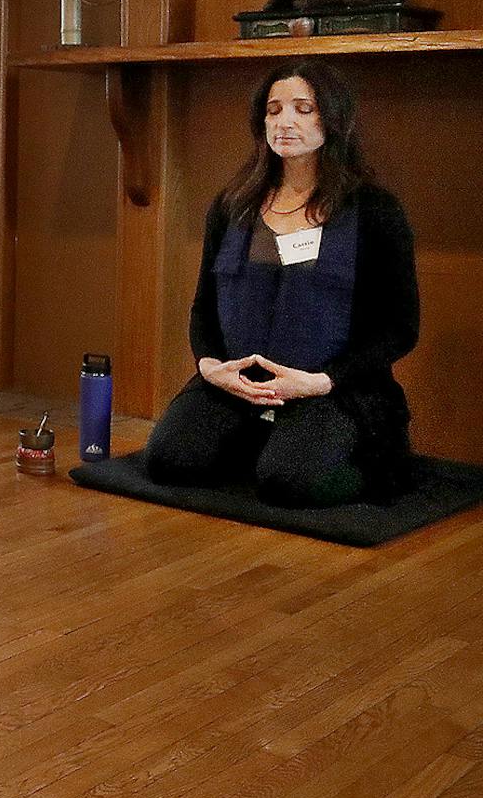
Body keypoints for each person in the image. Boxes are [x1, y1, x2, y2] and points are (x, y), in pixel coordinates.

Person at [144, 62, 419, 507]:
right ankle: (264, 441)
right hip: (242, 382)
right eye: (273, 111)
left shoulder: (375, 211)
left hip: (331, 389)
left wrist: (323, 381)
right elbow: (203, 306)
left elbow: (400, 327)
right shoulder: (232, 205)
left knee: (290, 484)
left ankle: (371, 462)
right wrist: (211, 366)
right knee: (169, 462)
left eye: (302, 108)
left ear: (332, 119)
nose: (284, 122)